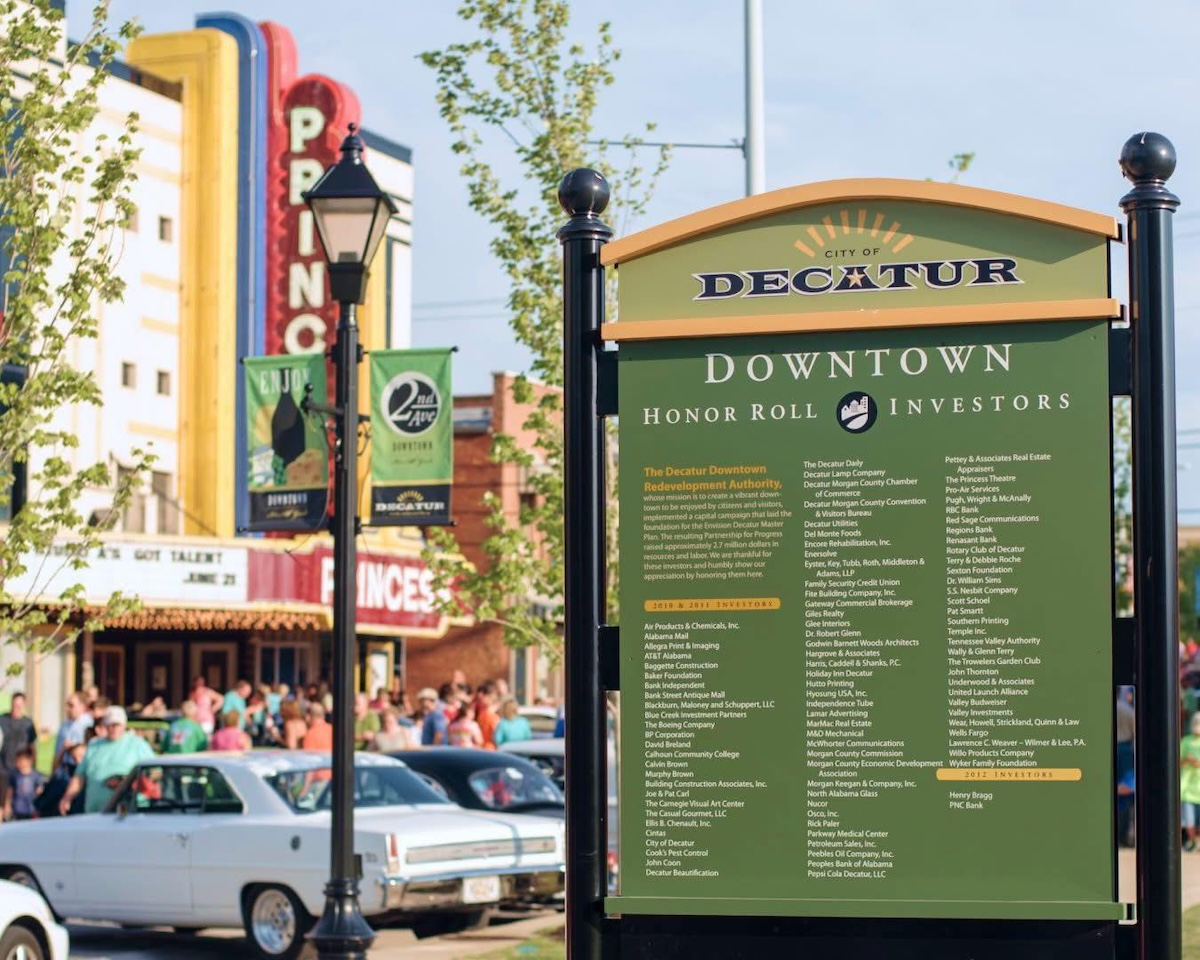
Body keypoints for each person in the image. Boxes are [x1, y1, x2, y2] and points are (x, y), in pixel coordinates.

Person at [59, 706, 154, 814]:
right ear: (105, 726)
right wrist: (67, 798)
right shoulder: (94, 745)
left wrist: (125, 782)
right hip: (95, 812)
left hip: (127, 812)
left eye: (117, 725)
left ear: (124, 725)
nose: (114, 728)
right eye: (110, 725)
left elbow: (154, 773)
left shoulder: (137, 744)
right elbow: (79, 777)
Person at [0, 692, 37, 802]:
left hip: (21, 769)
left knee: (19, 801)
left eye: (19, 706)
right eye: (15, 705)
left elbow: (32, 746)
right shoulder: (2, 720)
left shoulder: (28, 723)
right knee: (2, 800)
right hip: (3, 768)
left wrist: (32, 765)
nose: (16, 708)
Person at [52, 691, 93, 781]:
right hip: (64, 771)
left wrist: (75, 747)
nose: (67, 708)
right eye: (67, 705)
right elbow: (57, 752)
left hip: (81, 771)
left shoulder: (89, 724)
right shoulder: (64, 726)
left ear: (82, 706)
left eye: (71, 705)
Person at [4, 747, 46, 821]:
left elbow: (40, 788)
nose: (18, 764)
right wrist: (7, 805)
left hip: (31, 809)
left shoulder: (35, 775)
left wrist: (39, 791)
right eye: (17, 762)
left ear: (29, 761)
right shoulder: (15, 775)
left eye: (21, 761)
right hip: (17, 809)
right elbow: (10, 791)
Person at [474, 682, 500, 749]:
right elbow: (496, 736)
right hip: (491, 749)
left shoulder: (481, 714)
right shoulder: (493, 717)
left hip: (483, 748)